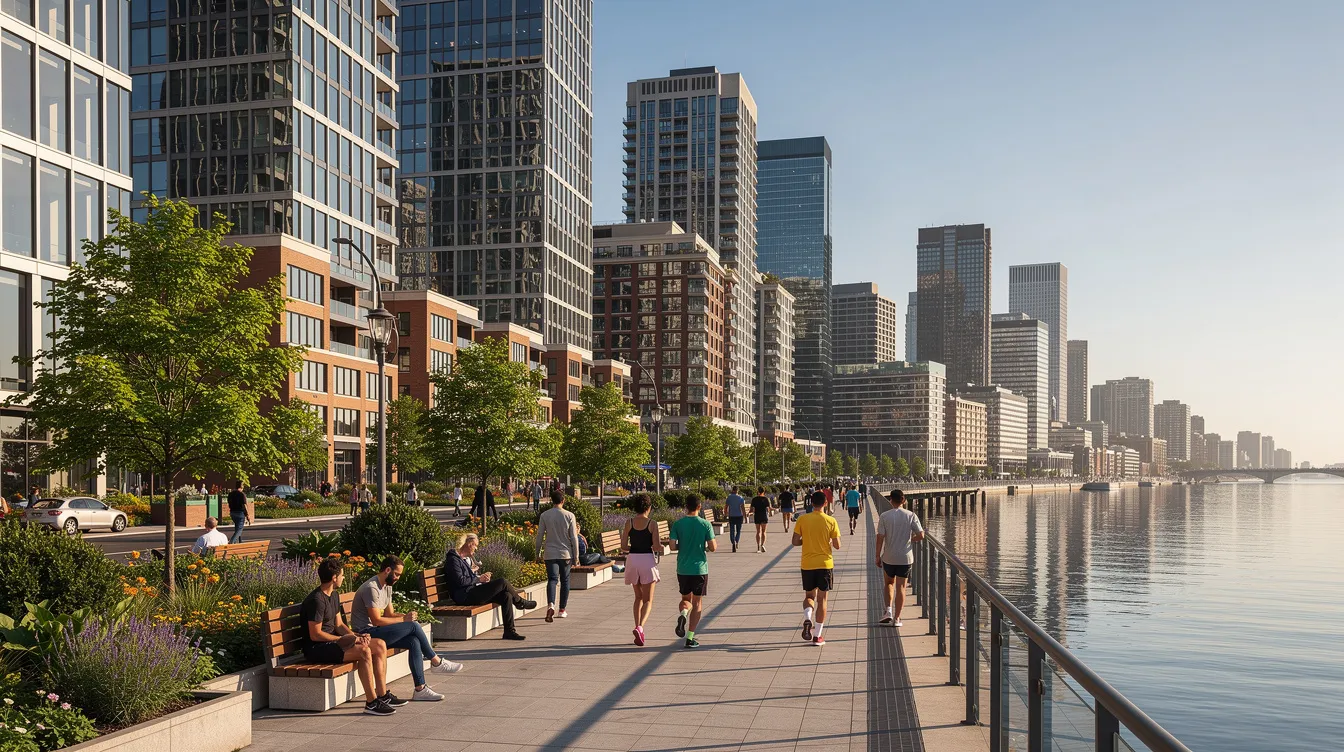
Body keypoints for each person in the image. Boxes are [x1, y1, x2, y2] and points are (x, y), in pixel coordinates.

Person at [351, 555, 464, 702]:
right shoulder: (371, 588)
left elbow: (389, 614)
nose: (398, 577)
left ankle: (420, 689)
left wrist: (406, 616)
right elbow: (376, 620)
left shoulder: (387, 586)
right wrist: (405, 621)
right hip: (367, 634)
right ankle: (436, 661)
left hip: (378, 631)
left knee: (413, 641)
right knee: (412, 627)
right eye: (397, 574)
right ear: (387, 570)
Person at [300, 558, 398, 715]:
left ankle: (382, 695)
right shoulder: (316, 601)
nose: (343, 578)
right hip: (317, 648)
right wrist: (344, 640)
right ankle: (371, 703)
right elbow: (316, 634)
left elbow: (339, 625)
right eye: (342, 575)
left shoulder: (334, 595)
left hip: (333, 644)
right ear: (334, 578)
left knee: (379, 644)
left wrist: (356, 636)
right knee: (364, 652)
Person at [443, 533, 535, 640]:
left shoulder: (461, 559)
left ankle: (509, 631)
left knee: (506, 595)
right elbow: (461, 581)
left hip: (471, 591)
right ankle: (520, 602)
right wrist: (478, 579)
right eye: (475, 545)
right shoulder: (453, 560)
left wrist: (481, 578)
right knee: (502, 582)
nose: (476, 549)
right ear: (469, 544)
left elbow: (466, 578)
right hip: (465, 596)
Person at [668, 494, 717, 648]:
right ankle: (690, 637)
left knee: (685, 599)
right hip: (699, 569)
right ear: (699, 507)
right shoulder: (705, 524)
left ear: (685, 507)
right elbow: (713, 547)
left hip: (683, 568)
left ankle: (683, 614)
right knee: (697, 602)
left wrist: (682, 546)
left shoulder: (678, 524)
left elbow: (672, 546)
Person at [793, 490, 841, 646]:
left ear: (811, 502)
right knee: (822, 599)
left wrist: (805, 541)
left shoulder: (802, 519)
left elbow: (795, 541)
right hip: (825, 564)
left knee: (809, 596)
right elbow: (837, 545)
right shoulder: (831, 521)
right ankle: (817, 636)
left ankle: (808, 618)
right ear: (825, 503)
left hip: (807, 564)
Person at [875, 490, 924, 627]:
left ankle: (888, 611)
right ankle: (897, 619)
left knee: (889, 583)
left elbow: (880, 537)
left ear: (890, 500)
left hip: (889, 557)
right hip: (905, 557)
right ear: (903, 500)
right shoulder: (911, 515)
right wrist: (910, 540)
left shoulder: (885, 516)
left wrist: (877, 555)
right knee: (901, 586)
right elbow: (921, 535)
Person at [620, 493, 661, 646]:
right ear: (648, 508)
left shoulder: (628, 522)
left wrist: (634, 547)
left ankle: (636, 624)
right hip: (646, 560)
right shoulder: (652, 523)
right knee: (648, 599)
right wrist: (660, 547)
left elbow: (624, 546)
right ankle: (640, 627)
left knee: (638, 597)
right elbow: (656, 546)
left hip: (632, 559)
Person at [534, 489, 580, 623]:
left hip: (550, 553)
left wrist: (537, 553)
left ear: (551, 501)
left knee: (552, 580)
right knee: (565, 580)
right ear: (563, 500)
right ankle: (562, 610)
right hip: (565, 554)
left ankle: (551, 605)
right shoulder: (569, 515)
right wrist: (576, 556)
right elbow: (574, 537)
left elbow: (539, 536)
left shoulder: (545, 515)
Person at [724, 486, 746, 553]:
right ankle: (736, 541)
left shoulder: (729, 498)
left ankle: (733, 542)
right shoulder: (740, 498)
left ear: (732, 490)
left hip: (732, 516)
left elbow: (726, 506)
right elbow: (743, 508)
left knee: (732, 530)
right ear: (737, 490)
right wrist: (745, 516)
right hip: (739, 516)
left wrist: (725, 513)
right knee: (738, 530)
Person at [750, 487, 771, 552]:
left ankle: (758, 546)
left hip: (757, 516)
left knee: (758, 531)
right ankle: (762, 545)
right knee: (764, 531)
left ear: (758, 491)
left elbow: (752, 509)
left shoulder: (754, 499)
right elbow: (768, 508)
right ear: (764, 492)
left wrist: (750, 513)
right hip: (764, 516)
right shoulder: (766, 499)